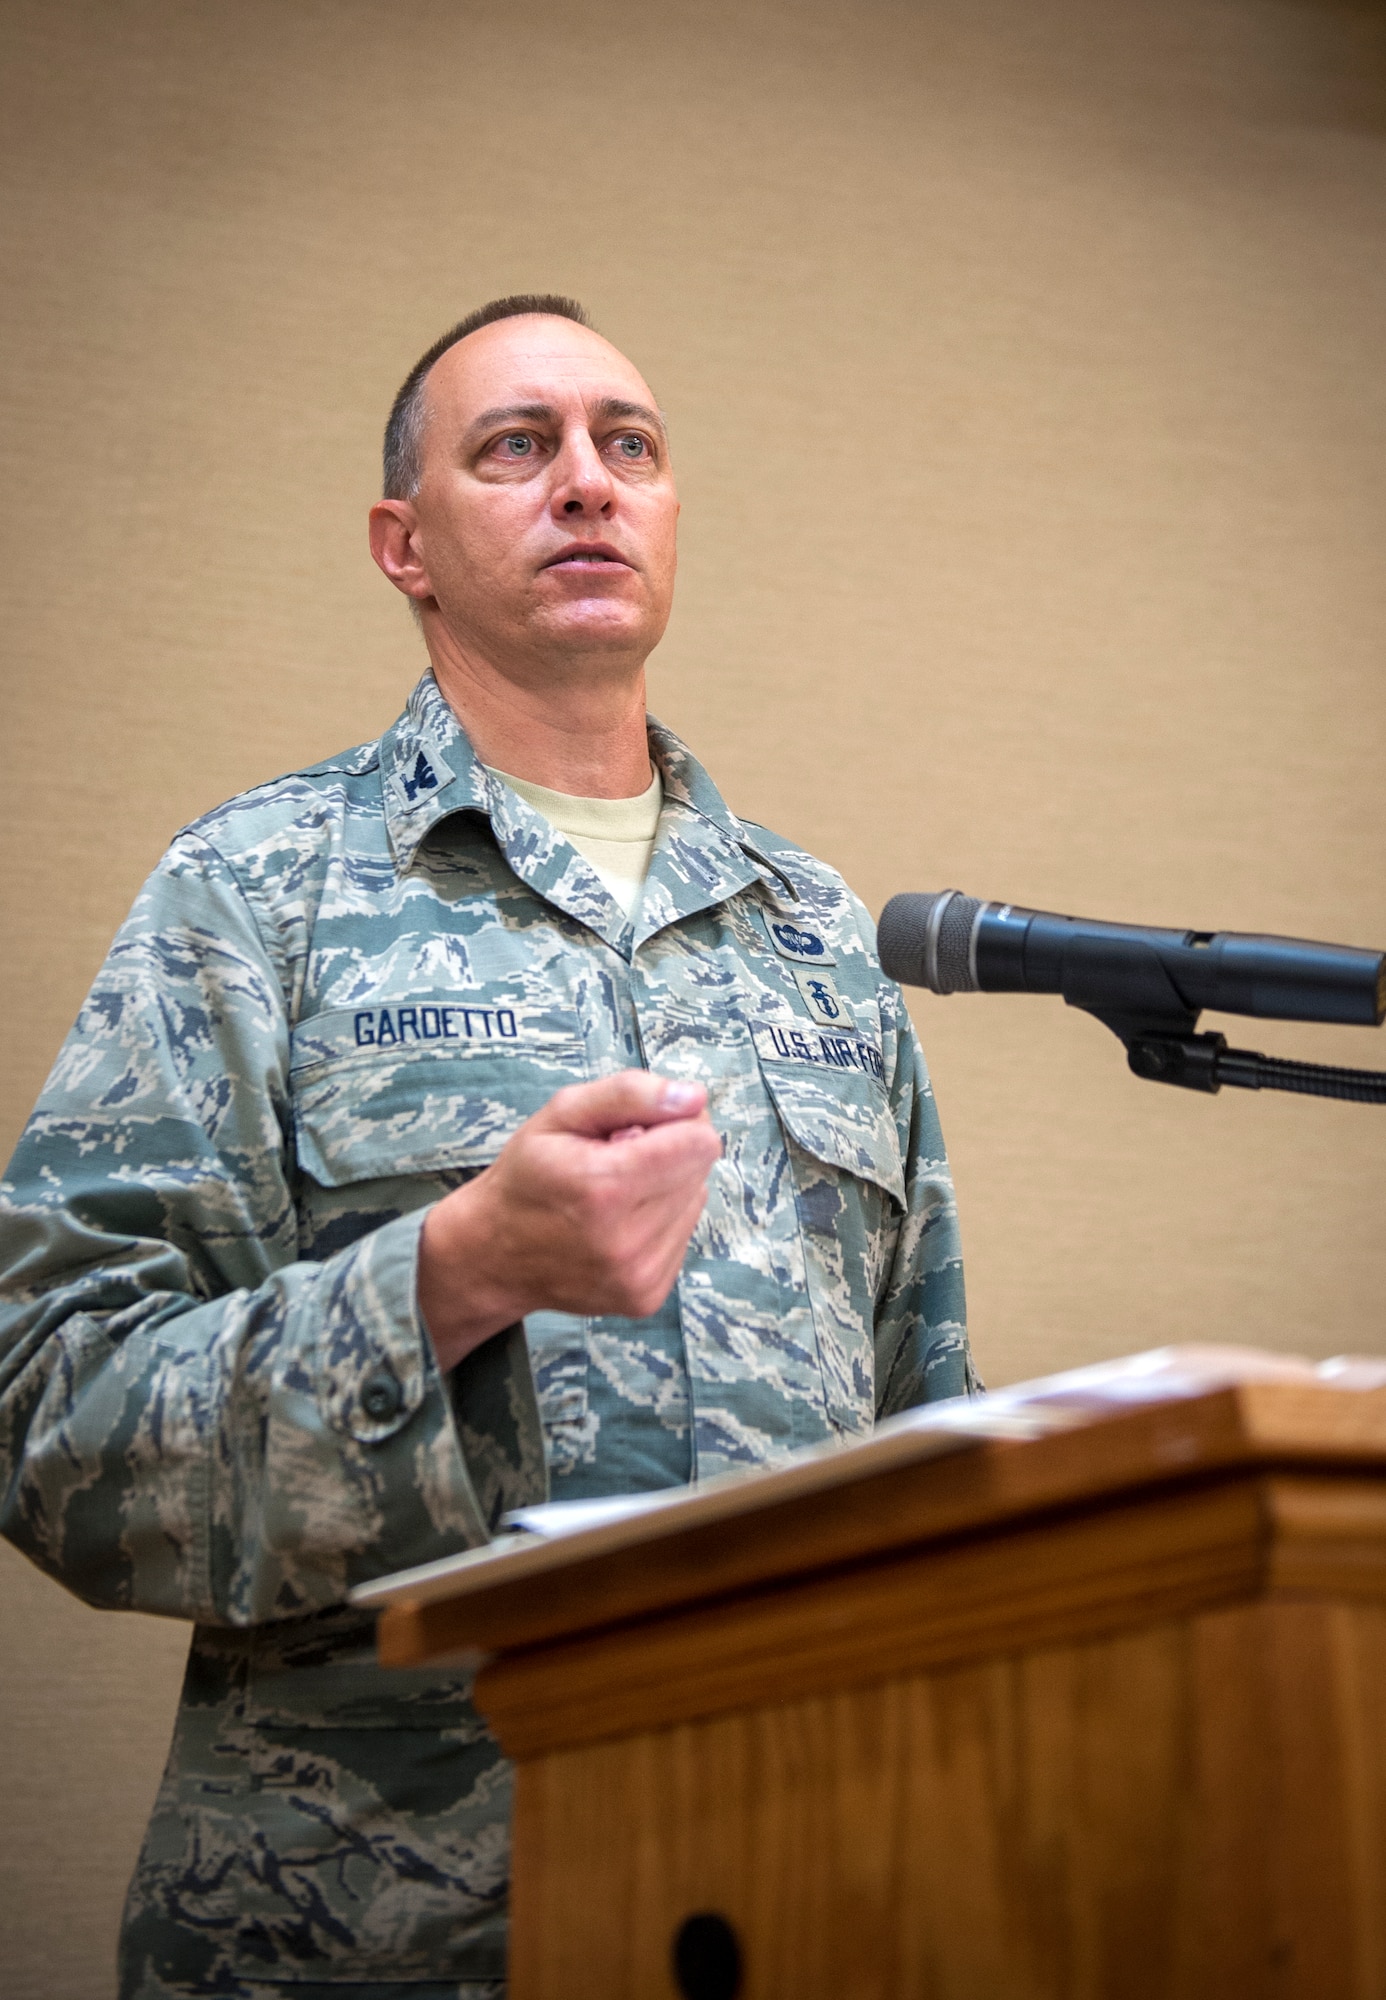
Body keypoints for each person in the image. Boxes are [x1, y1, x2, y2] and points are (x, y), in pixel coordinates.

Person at [0, 295, 975, 2000]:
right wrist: (447, 1281)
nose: (587, 484)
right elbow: (47, 1419)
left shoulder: (818, 936)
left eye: (631, 446)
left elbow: (930, 1445)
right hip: (366, 1928)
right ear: (407, 544)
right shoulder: (256, 896)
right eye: (517, 448)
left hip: (789, 1904)